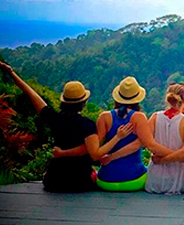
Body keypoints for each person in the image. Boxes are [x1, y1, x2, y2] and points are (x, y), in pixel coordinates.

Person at [0, 61, 128, 192]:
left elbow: (33, 96)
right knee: (96, 174)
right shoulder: (87, 124)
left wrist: (11, 73)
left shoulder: (54, 119)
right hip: (80, 182)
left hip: (53, 180)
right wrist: (117, 137)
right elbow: (94, 154)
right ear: (83, 103)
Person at [95, 76, 152, 191]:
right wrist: (112, 157)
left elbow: (96, 149)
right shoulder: (139, 118)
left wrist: (109, 157)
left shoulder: (104, 117)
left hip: (105, 181)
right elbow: (139, 144)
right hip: (134, 180)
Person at [143, 83, 184, 194]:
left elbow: (149, 144)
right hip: (180, 177)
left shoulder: (154, 117)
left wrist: (161, 160)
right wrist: (176, 156)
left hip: (155, 178)